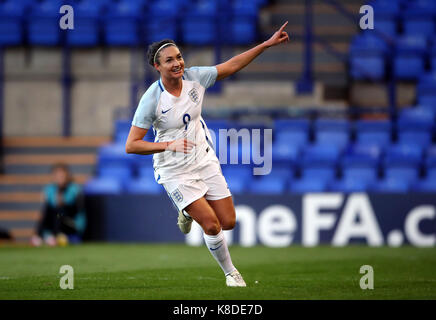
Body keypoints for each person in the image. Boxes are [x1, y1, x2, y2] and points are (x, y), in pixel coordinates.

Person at [125, 22, 290, 286]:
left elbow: (232, 65)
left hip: (203, 159)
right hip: (173, 169)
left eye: (179, 57)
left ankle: (187, 212)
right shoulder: (151, 99)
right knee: (212, 225)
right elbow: (132, 145)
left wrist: (266, 44)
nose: (177, 63)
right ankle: (231, 274)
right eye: (169, 60)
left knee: (229, 221)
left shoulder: (195, 77)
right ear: (157, 67)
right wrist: (169, 145)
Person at [31, 163, 87, 247]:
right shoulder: (50, 189)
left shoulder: (74, 189)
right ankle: (38, 236)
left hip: (70, 221)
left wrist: (61, 199)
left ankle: (54, 236)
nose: (59, 178)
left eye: (61, 175)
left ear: (67, 175)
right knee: (48, 210)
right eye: (57, 175)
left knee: (60, 210)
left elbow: (72, 207)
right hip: (55, 219)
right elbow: (49, 207)